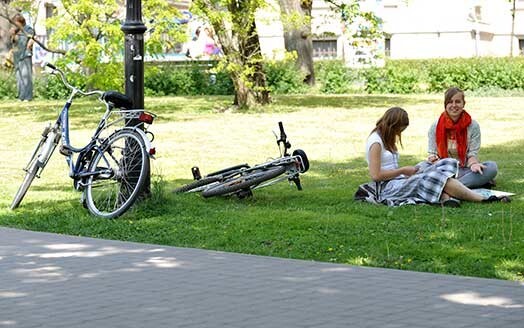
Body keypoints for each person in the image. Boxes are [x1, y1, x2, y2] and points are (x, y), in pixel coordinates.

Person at [354, 107, 508, 207]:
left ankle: (446, 196)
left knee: (444, 163)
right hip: (387, 187)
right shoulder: (376, 142)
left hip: (399, 179)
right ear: (392, 125)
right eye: (399, 129)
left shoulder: (386, 137)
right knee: (434, 176)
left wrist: (410, 170)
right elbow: (375, 176)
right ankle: (480, 198)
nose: (399, 133)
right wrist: (402, 171)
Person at [427, 87, 497, 189]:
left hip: (465, 168)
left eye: (458, 102)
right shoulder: (435, 126)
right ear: (445, 104)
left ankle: (447, 188)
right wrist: (443, 168)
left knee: (491, 167)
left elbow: (472, 155)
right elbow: (432, 156)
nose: (454, 105)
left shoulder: (473, 126)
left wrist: (474, 164)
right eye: (450, 102)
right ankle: (463, 186)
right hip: (442, 168)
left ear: (463, 104)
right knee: (421, 168)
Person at [10, 14, 34, 101]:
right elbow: (13, 42)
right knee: (19, 76)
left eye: (16, 23)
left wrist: (30, 43)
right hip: (17, 56)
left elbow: (32, 39)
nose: (15, 25)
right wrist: (13, 35)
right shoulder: (15, 30)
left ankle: (28, 97)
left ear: (21, 22)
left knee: (26, 76)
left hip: (25, 55)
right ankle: (21, 96)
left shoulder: (28, 29)